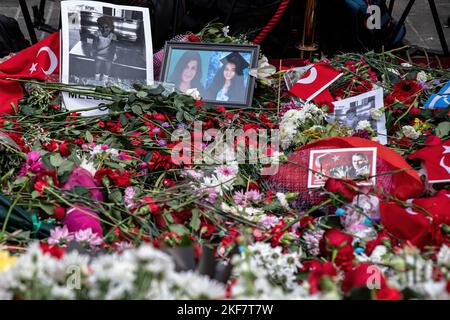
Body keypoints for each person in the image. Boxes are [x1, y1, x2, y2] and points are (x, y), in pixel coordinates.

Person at [92, 15, 117, 83]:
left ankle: (105, 78)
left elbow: (113, 47)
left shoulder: (113, 36)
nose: (104, 29)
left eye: (106, 27)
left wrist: (112, 55)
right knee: (97, 64)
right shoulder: (97, 33)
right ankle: (96, 77)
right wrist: (93, 50)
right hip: (99, 52)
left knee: (108, 65)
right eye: (101, 27)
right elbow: (94, 43)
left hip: (108, 52)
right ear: (99, 27)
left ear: (111, 27)